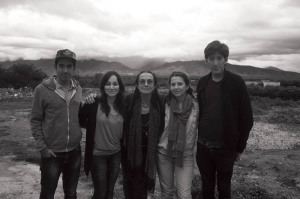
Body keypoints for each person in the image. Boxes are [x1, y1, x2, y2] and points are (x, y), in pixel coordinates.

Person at [196, 40, 253, 199]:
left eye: (219, 58)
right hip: (203, 146)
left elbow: (247, 118)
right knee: (206, 187)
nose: (215, 63)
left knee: (224, 188)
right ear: (206, 60)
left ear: (226, 60)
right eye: (211, 59)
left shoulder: (236, 82)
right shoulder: (202, 83)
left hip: (226, 148)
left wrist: (240, 147)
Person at [30, 49, 82, 199]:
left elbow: (78, 115)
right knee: (47, 194)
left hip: (74, 151)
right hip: (52, 153)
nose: (65, 70)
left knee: (71, 193)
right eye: (61, 66)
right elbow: (35, 119)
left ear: (74, 68)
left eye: (69, 66)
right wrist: (42, 147)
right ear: (56, 67)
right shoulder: (42, 90)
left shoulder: (78, 89)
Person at [79, 71, 125, 199]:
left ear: (120, 86)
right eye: (108, 84)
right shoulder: (94, 103)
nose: (111, 87)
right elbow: (80, 120)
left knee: (110, 192)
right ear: (103, 86)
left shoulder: (124, 105)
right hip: (98, 155)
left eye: (115, 84)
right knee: (100, 193)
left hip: (116, 154)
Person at [122, 71, 165, 199]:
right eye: (142, 81)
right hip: (130, 152)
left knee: (142, 188)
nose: (146, 84)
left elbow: (180, 95)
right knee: (130, 186)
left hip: (150, 151)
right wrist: (95, 97)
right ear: (137, 84)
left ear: (154, 85)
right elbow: (110, 98)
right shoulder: (129, 101)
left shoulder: (160, 102)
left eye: (149, 81)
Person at [157, 71, 199, 199]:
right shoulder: (164, 103)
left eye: (180, 84)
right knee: (167, 193)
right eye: (173, 84)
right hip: (164, 153)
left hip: (185, 154)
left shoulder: (196, 105)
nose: (176, 87)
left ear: (187, 86)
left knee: (184, 194)